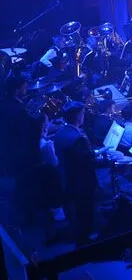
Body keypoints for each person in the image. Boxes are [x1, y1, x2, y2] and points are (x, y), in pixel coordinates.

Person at [52, 102, 98, 246]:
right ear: (77, 116)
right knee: (85, 212)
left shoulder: (60, 132)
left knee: (78, 212)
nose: (84, 115)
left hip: (66, 177)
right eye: (83, 113)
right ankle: (85, 242)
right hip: (81, 183)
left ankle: (80, 235)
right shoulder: (78, 138)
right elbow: (89, 162)